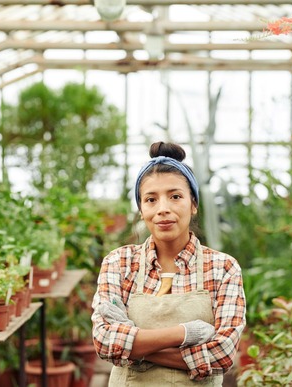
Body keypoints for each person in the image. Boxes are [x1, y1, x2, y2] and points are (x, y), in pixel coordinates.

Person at [91, 141, 246, 386]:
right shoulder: (119, 263)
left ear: (193, 204)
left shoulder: (223, 268)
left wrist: (135, 350)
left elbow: (222, 355)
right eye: (151, 200)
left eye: (175, 196)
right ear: (141, 210)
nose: (162, 209)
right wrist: (187, 333)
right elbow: (105, 342)